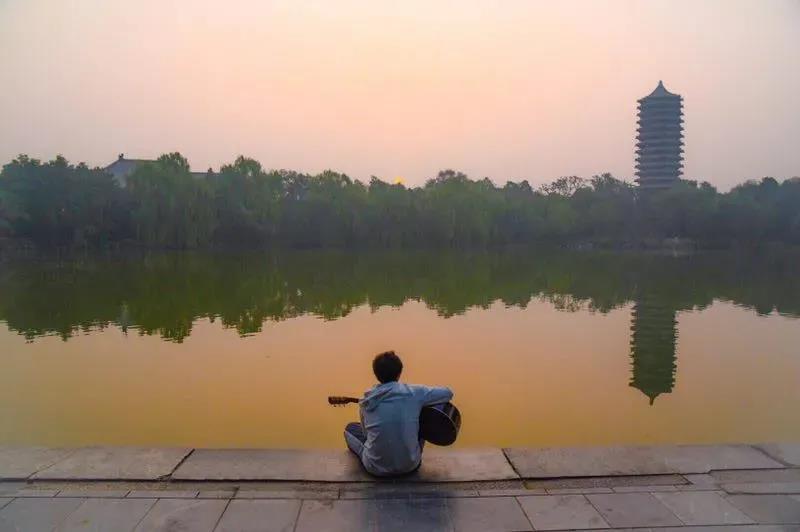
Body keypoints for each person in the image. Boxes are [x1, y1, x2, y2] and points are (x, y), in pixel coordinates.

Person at [344, 350, 453, 476]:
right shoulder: (415, 392)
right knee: (420, 421)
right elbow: (448, 393)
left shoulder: (366, 400)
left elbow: (366, 435)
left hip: (375, 469)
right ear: (399, 372)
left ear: (376, 374)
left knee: (350, 428)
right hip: (410, 465)